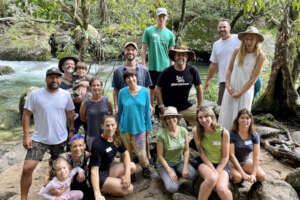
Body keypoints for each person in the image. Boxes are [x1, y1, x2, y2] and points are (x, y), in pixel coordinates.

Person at [21, 67, 75, 200]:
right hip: (39, 139)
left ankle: (60, 194)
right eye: (51, 77)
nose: (54, 80)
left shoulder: (65, 95)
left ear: (60, 79)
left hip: (60, 139)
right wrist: (26, 135)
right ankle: (23, 197)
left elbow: (70, 114)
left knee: (60, 170)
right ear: (46, 79)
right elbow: (26, 115)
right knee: (27, 168)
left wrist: (71, 131)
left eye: (57, 77)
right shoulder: (35, 95)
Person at [218, 26, 265, 130]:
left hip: (245, 90)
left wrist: (240, 93)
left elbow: (254, 78)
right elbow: (229, 69)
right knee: (227, 113)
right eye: (247, 38)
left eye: (252, 39)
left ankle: (239, 139)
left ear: (256, 40)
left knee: (242, 115)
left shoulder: (260, 56)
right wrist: (228, 85)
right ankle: (225, 137)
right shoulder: (237, 51)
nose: (249, 41)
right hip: (231, 88)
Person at [90, 115, 136, 200]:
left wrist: (127, 175)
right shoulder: (97, 144)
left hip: (108, 169)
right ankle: (104, 189)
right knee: (130, 189)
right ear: (102, 126)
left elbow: (125, 154)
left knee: (132, 166)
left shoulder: (116, 138)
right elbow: (94, 170)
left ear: (116, 125)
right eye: (107, 125)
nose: (110, 128)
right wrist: (97, 194)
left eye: (112, 125)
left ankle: (113, 184)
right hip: (99, 176)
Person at [156, 46, 203, 125]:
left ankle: (195, 134)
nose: (181, 57)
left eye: (184, 55)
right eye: (178, 55)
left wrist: (200, 107)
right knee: (172, 129)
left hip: (186, 107)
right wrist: (162, 107)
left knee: (205, 116)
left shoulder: (192, 70)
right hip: (169, 108)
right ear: (174, 57)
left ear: (187, 57)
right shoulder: (166, 72)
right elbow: (157, 89)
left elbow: (199, 88)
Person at [118, 70, 152, 178]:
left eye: (133, 77)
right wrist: (118, 127)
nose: (130, 79)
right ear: (125, 80)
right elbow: (120, 111)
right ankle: (130, 171)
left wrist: (148, 127)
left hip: (140, 127)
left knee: (141, 152)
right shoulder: (122, 92)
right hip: (125, 127)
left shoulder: (145, 92)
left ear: (136, 78)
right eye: (128, 78)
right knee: (127, 152)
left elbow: (147, 111)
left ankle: (145, 167)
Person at [193, 106, 232, 200]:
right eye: (200, 117)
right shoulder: (196, 130)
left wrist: (217, 171)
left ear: (212, 116)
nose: (203, 120)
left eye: (206, 116)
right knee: (212, 179)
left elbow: (225, 157)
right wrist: (212, 169)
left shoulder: (223, 132)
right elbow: (201, 153)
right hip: (205, 162)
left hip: (221, 164)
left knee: (221, 188)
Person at [156, 106, 197, 193]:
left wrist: (185, 167)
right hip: (166, 164)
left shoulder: (183, 131)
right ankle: (168, 175)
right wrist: (169, 171)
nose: (171, 120)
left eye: (173, 117)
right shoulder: (161, 135)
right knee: (172, 188)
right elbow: (160, 155)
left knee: (193, 174)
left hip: (180, 161)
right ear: (165, 120)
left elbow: (186, 150)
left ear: (177, 118)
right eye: (168, 118)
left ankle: (178, 173)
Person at [142, 7, 175, 105]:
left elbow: (171, 52)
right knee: (151, 90)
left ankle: (162, 111)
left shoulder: (170, 34)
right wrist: (143, 63)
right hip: (152, 66)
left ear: (166, 17)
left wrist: (172, 67)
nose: (161, 18)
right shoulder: (148, 31)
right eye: (160, 16)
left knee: (164, 90)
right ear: (156, 17)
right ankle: (151, 111)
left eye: (163, 16)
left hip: (165, 67)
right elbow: (143, 48)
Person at [204, 19, 241, 105]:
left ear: (229, 28)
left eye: (224, 27)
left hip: (238, 78)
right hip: (224, 80)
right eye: (220, 27)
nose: (222, 29)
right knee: (221, 106)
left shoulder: (238, 38)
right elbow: (213, 64)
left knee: (237, 105)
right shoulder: (216, 44)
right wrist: (208, 80)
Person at [112, 42, 152, 113]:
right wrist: (116, 107)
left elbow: (147, 89)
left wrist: (149, 105)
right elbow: (115, 90)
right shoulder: (118, 71)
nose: (130, 52)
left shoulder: (144, 70)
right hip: (124, 108)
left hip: (141, 107)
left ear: (136, 52)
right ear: (124, 52)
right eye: (128, 49)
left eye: (133, 50)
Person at [229, 109, 266, 187]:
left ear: (251, 120)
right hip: (231, 162)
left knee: (262, 176)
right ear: (238, 120)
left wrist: (253, 174)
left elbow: (256, 156)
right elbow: (231, 155)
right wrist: (243, 173)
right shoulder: (231, 134)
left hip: (245, 161)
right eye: (242, 117)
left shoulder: (254, 135)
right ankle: (240, 179)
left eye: (247, 118)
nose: (245, 120)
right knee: (238, 178)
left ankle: (244, 178)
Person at [80, 77, 113, 151]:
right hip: (92, 135)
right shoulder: (85, 103)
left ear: (101, 87)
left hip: (106, 135)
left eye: (98, 85)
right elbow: (83, 118)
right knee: (93, 157)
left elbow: (111, 115)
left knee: (107, 155)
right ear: (90, 87)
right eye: (93, 85)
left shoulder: (107, 101)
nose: (96, 87)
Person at [72, 62, 90, 134]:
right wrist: (80, 83)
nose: (81, 71)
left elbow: (95, 84)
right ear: (76, 70)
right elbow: (73, 88)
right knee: (75, 126)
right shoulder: (74, 78)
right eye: (79, 69)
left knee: (88, 128)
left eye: (83, 69)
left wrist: (87, 84)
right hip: (76, 106)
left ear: (86, 71)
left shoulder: (88, 78)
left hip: (87, 106)